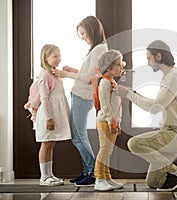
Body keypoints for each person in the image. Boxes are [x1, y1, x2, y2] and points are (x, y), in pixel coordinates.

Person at [115, 40, 177, 192]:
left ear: (159, 56)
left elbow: (155, 108)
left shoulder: (174, 77)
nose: (148, 63)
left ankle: (176, 172)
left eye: (149, 58)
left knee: (134, 143)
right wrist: (133, 93)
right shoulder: (169, 76)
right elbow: (157, 103)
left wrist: (128, 94)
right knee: (154, 182)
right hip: (170, 133)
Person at [52, 16, 108, 186]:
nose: (83, 37)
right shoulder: (97, 49)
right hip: (80, 96)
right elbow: (90, 73)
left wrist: (65, 74)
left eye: (83, 33)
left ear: (92, 30)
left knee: (78, 137)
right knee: (78, 136)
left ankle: (92, 172)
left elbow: (90, 77)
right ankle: (87, 171)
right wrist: (73, 70)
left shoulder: (99, 49)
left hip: (83, 97)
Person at [36, 44, 71, 186]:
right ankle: (44, 176)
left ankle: (50, 174)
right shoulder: (44, 74)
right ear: (46, 57)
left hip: (55, 115)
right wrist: (49, 118)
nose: (59, 59)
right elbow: (44, 98)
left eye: (59, 56)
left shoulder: (54, 73)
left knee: (51, 144)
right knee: (46, 144)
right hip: (48, 115)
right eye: (55, 56)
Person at [93, 50, 125, 191]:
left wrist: (117, 123)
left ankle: (107, 177)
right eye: (118, 64)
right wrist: (111, 122)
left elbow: (115, 105)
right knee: (105, 150)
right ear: (108, 67)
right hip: (105, 121)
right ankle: (99, 179)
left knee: (108, 151)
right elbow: (105, 105)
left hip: (111, 122)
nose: (121, 67)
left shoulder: (111, 82)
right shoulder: (105, 83)